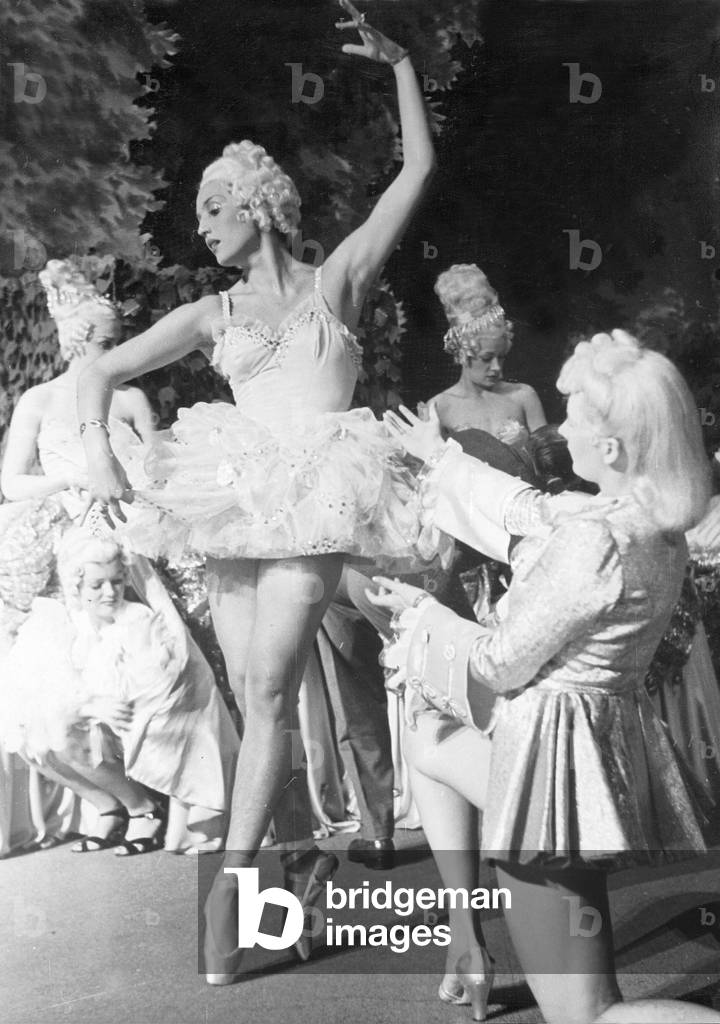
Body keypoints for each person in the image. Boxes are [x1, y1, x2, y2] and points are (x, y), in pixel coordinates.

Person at [77, 0, 437, 983]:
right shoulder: (209, 310)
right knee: (254, 701)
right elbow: (97, 373)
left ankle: (225, 914)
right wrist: (100, 456)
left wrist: (402, 64)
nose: (201, 224)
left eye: (212, 206)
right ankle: (288, 891)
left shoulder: (340, 282)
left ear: (261, 206)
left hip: (322, 491)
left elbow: (416, 173)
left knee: (271, 689)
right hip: (236, 493)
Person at [371, 330, 720, 1023]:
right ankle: (466, 940)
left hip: (543, 768)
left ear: (613, 449)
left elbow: (501, 660)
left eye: (575, 421)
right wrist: (440, 458)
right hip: (585, 755)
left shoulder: (598, 537)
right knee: (430, 743)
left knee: (586, 1014)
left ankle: (467, 944)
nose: (560, 433)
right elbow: (532, 514)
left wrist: (423, 622)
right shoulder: (652, 522)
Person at [0, 527, 239, 854]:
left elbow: (152, 685)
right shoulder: (77, 627)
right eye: (97, 586)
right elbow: (68, 686)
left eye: (117, 581)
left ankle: (148, 810)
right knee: (42, 734)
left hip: (144, 721)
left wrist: (102, 705)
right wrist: (89, 706)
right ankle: (117, 808)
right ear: (77, 587)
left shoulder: (137, 620)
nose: (110, 593)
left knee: (70, 730)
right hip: (108, 721)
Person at [422, 263, 546, 441]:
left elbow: (550, 462)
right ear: (463, 354)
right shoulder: (438, 408)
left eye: (501, 357)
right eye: (487, 358)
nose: (496, 368)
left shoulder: (524, 397)